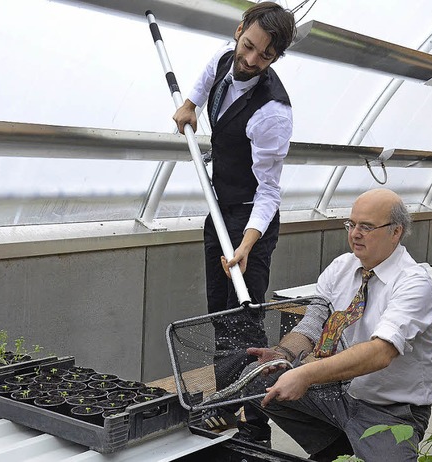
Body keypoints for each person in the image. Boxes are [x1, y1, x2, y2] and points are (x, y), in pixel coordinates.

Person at [172, 1, 296, 443]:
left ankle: (256, 422)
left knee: (243, 317)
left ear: (275, 58)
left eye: (264, 56)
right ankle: (226, 407)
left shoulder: (273, 114)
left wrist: (247, 244)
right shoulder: (224, 59)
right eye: (248, 47)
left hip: (250, 222)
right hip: (219, 208)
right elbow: (208, 79)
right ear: (239, 30)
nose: (250, 61)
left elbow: (269, 191)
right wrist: (189, 104)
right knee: (218, 311)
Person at [244, 188, 432, 461]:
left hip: (390, 409)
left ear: (396, 231)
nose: (355, 233)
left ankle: (360, 442)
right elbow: (313, 321)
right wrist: (283, 355)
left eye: (367, 226)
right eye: (352, 224)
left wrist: (305, 374)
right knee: (256, 378)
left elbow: (381, 352)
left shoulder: (413, 283)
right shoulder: (342, 267)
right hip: (337, 393)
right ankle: (334, 449)